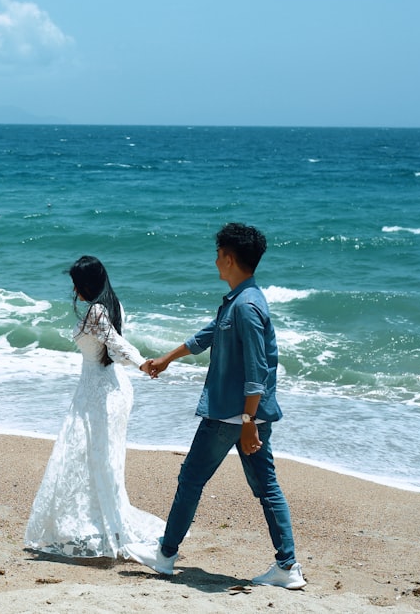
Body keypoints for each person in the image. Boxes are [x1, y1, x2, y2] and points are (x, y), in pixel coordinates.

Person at [124, 223, 306, 589]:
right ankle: (287, 567)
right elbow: (206, 335)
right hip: (243, 414)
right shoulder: (240, 301)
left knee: (192, 479)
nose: (215, 261)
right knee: (266, 487)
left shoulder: (247, 307)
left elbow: (257, 372)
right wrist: (168, 358)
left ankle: (165, 555)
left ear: (229, 257)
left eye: (218, 254)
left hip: (232, 413)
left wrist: (248, 421)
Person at [24, 255, 163, 559]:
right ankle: (100, 525)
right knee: (99, 460)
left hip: (100, 393)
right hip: (105, 389)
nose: (74, 290)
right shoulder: (112, 304)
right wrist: (139, 364)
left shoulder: (98, 311)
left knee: (93, 459)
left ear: (86, 283)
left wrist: (144, 364)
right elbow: (114, 350)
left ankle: (105, 528)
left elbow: (117, 345)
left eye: (76, 283)